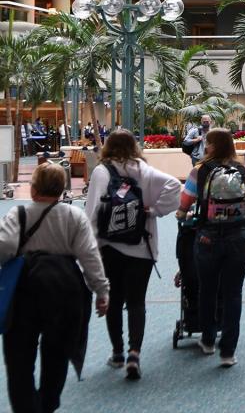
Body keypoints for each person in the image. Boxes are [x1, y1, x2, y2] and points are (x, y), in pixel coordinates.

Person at [0, 163, 109, 413]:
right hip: (64, 290)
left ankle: (26, 407)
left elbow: (3, 248)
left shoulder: (18, 215)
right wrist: (102, 292)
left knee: (19, 359)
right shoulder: (74, 216)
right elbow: (90, 257)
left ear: (34, 188)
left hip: (24, 292)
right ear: (62, 190)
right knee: (57, 354)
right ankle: (48, 405)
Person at [83, 130, 180, 380]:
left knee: (113, 300)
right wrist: (155, 210)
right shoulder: (144, 170)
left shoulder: (102, 171)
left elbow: (92, 212)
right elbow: (174, 187)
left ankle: (117, 353)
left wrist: (89, 248)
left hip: (110, 247)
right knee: (137, 301)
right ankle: (134, 352)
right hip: (141, 246)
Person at [176, 128, 245, 367]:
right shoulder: (243, 171)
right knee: (233, 293)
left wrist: (183, 213)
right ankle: (228, 350)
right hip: (239, 238)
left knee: (207, 290)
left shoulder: (199, 171)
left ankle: (208, 340)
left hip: (208, 238)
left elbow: (184, 204)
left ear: (211, 146)